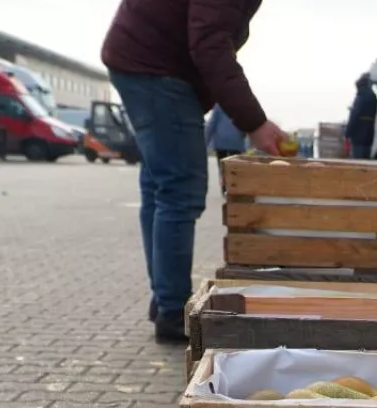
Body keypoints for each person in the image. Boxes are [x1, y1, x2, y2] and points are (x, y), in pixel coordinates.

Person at [102, 0, 289, 343]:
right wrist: (255, 123)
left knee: (160, 189)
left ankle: (165, 301)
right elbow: (210, 44)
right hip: (155, 68)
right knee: (180, 189)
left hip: (141, 59)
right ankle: (173, 312)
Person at [206, 104, 248, 193]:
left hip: (221, 142)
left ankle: (225, 189)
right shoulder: (242, 105)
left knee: (222, 167)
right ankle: (234, 187)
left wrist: (205, 141)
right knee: (235, 167)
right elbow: (246, 124)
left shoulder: (219, 105)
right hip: (236, 142)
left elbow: (212, 123)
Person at [345, 74, 377, 160]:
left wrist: (347, 133)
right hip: (369, 132)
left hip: (358, 133)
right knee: (366, 158)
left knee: (357, 160)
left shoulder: (360, 96)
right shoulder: (374, 97)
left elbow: (354, 115)